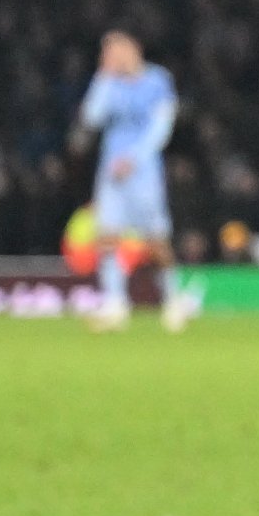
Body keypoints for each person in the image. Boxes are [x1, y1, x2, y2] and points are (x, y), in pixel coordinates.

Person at [73, 31, 182, 333]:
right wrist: (103, 77)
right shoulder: (110, 83)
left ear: (134, 49)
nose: (112, 56)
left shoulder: (158, 80)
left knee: (156, 240)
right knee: (107, 236)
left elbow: (161, 128)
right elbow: (92, 118)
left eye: (116, 49)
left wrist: (133, 159)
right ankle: (115, 303)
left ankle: (172, 299)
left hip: (144, 172)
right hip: (111, 172)